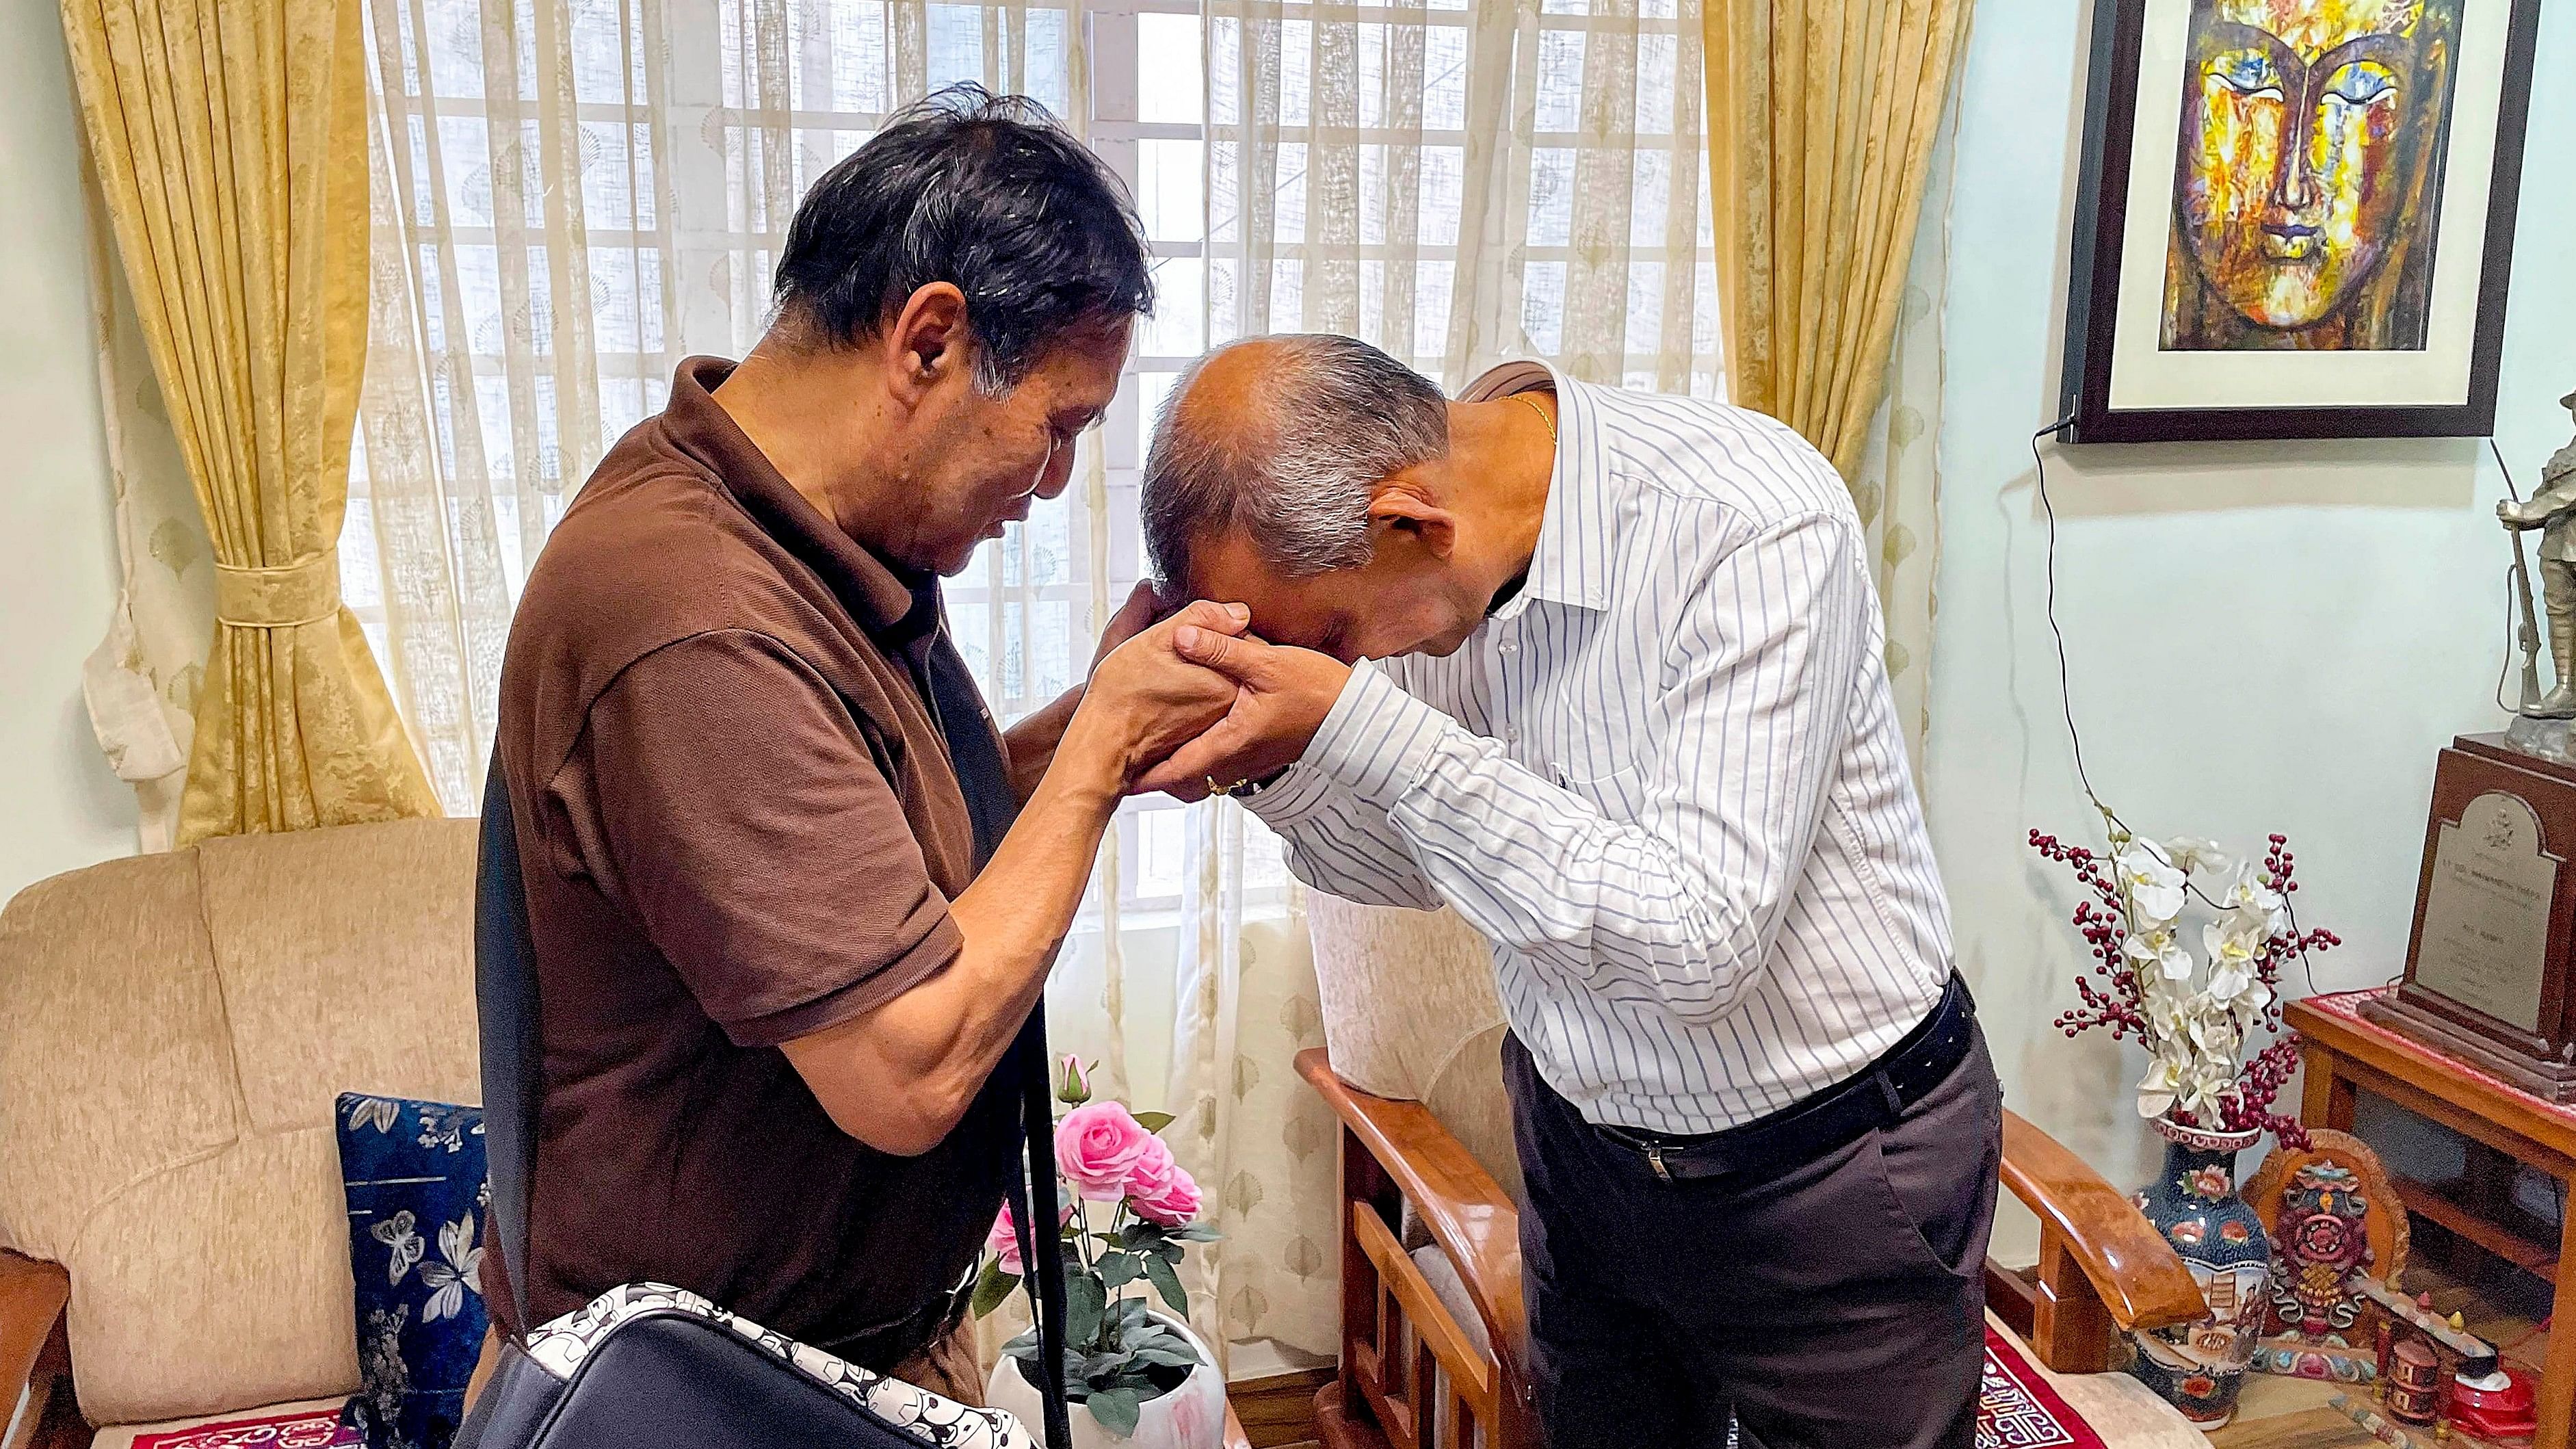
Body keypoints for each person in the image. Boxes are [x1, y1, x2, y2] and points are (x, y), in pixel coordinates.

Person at [482, 86, 1243, 1403]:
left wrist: (1079, 725)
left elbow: (860, 856)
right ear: (930, 339)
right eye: (1056, 425)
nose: (1054, 482)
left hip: (824, 1359)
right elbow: (905, 1061)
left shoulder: (780, 528)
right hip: (710, 1404)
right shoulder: (693, 615)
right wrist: (1103, 751)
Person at [1136, 335, 2000, 1448]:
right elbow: (1419, 858)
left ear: (1412, 522)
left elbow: (1696, 942)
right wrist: (1257, 761)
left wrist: (1363, 726)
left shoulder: (1751, 521)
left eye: (1335, 639)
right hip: (1583, 1152)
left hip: (1829, 1176)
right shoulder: (1435, 569)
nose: (1344, 673)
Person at [2499, 390, 2576, 717]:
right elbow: (2546, 498)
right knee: (2559, 614)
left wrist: (2527, 510)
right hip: (2559, 544)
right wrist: (2517, 515)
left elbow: (2567, 495)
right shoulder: (2565, 455)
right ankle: (2566, 689)